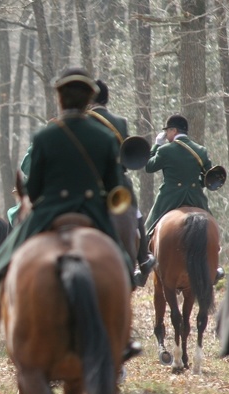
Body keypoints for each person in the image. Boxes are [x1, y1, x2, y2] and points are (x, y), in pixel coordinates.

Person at [0, 67, 133, 351]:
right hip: (92, 212)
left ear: (60, 99)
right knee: (123, 263)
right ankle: (125, 338)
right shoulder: (105, 138)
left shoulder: (45, 136)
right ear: (89, 100)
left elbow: (32, 189)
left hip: (51, 211)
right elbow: (115, 186)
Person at [88, 79, 155, 285]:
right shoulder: (120, 121)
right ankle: (143, 259)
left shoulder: (81, 120)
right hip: (116, 183)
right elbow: (126, 154)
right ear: (106, 98)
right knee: (135, 214)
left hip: (88, 182)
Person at [144, 113, 224, 281]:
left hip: (170, 197)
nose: (166, 135)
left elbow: (149, 166)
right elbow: (207, 177)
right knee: (213, 229)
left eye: (167, 131)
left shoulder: (165, 149)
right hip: (195, 197)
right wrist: (194, 184)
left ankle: (143, 264)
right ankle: (216, 266)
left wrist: (157, 145)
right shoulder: (201, 150)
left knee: (148, 229)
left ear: (173, 130)